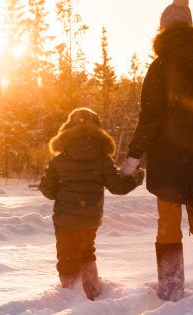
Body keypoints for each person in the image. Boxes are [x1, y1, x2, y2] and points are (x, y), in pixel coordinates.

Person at [119, 0, 193, 305]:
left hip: (167, 155)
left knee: (168, 222)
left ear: (165, 27)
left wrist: (132, 158)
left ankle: (170, 290)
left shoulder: (161, 65)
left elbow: (149, 117)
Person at [39, 107, 145, 301]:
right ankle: (92, 292)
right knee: (87, 251)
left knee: (66, 255)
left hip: (65, 219)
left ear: (67, 128)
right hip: (90, 217)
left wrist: (52, 184)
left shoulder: (59, 160)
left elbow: (48, 192)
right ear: (98, 130)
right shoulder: (103, 159)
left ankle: (70, 296)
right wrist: (137, 177)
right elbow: (118, 187)